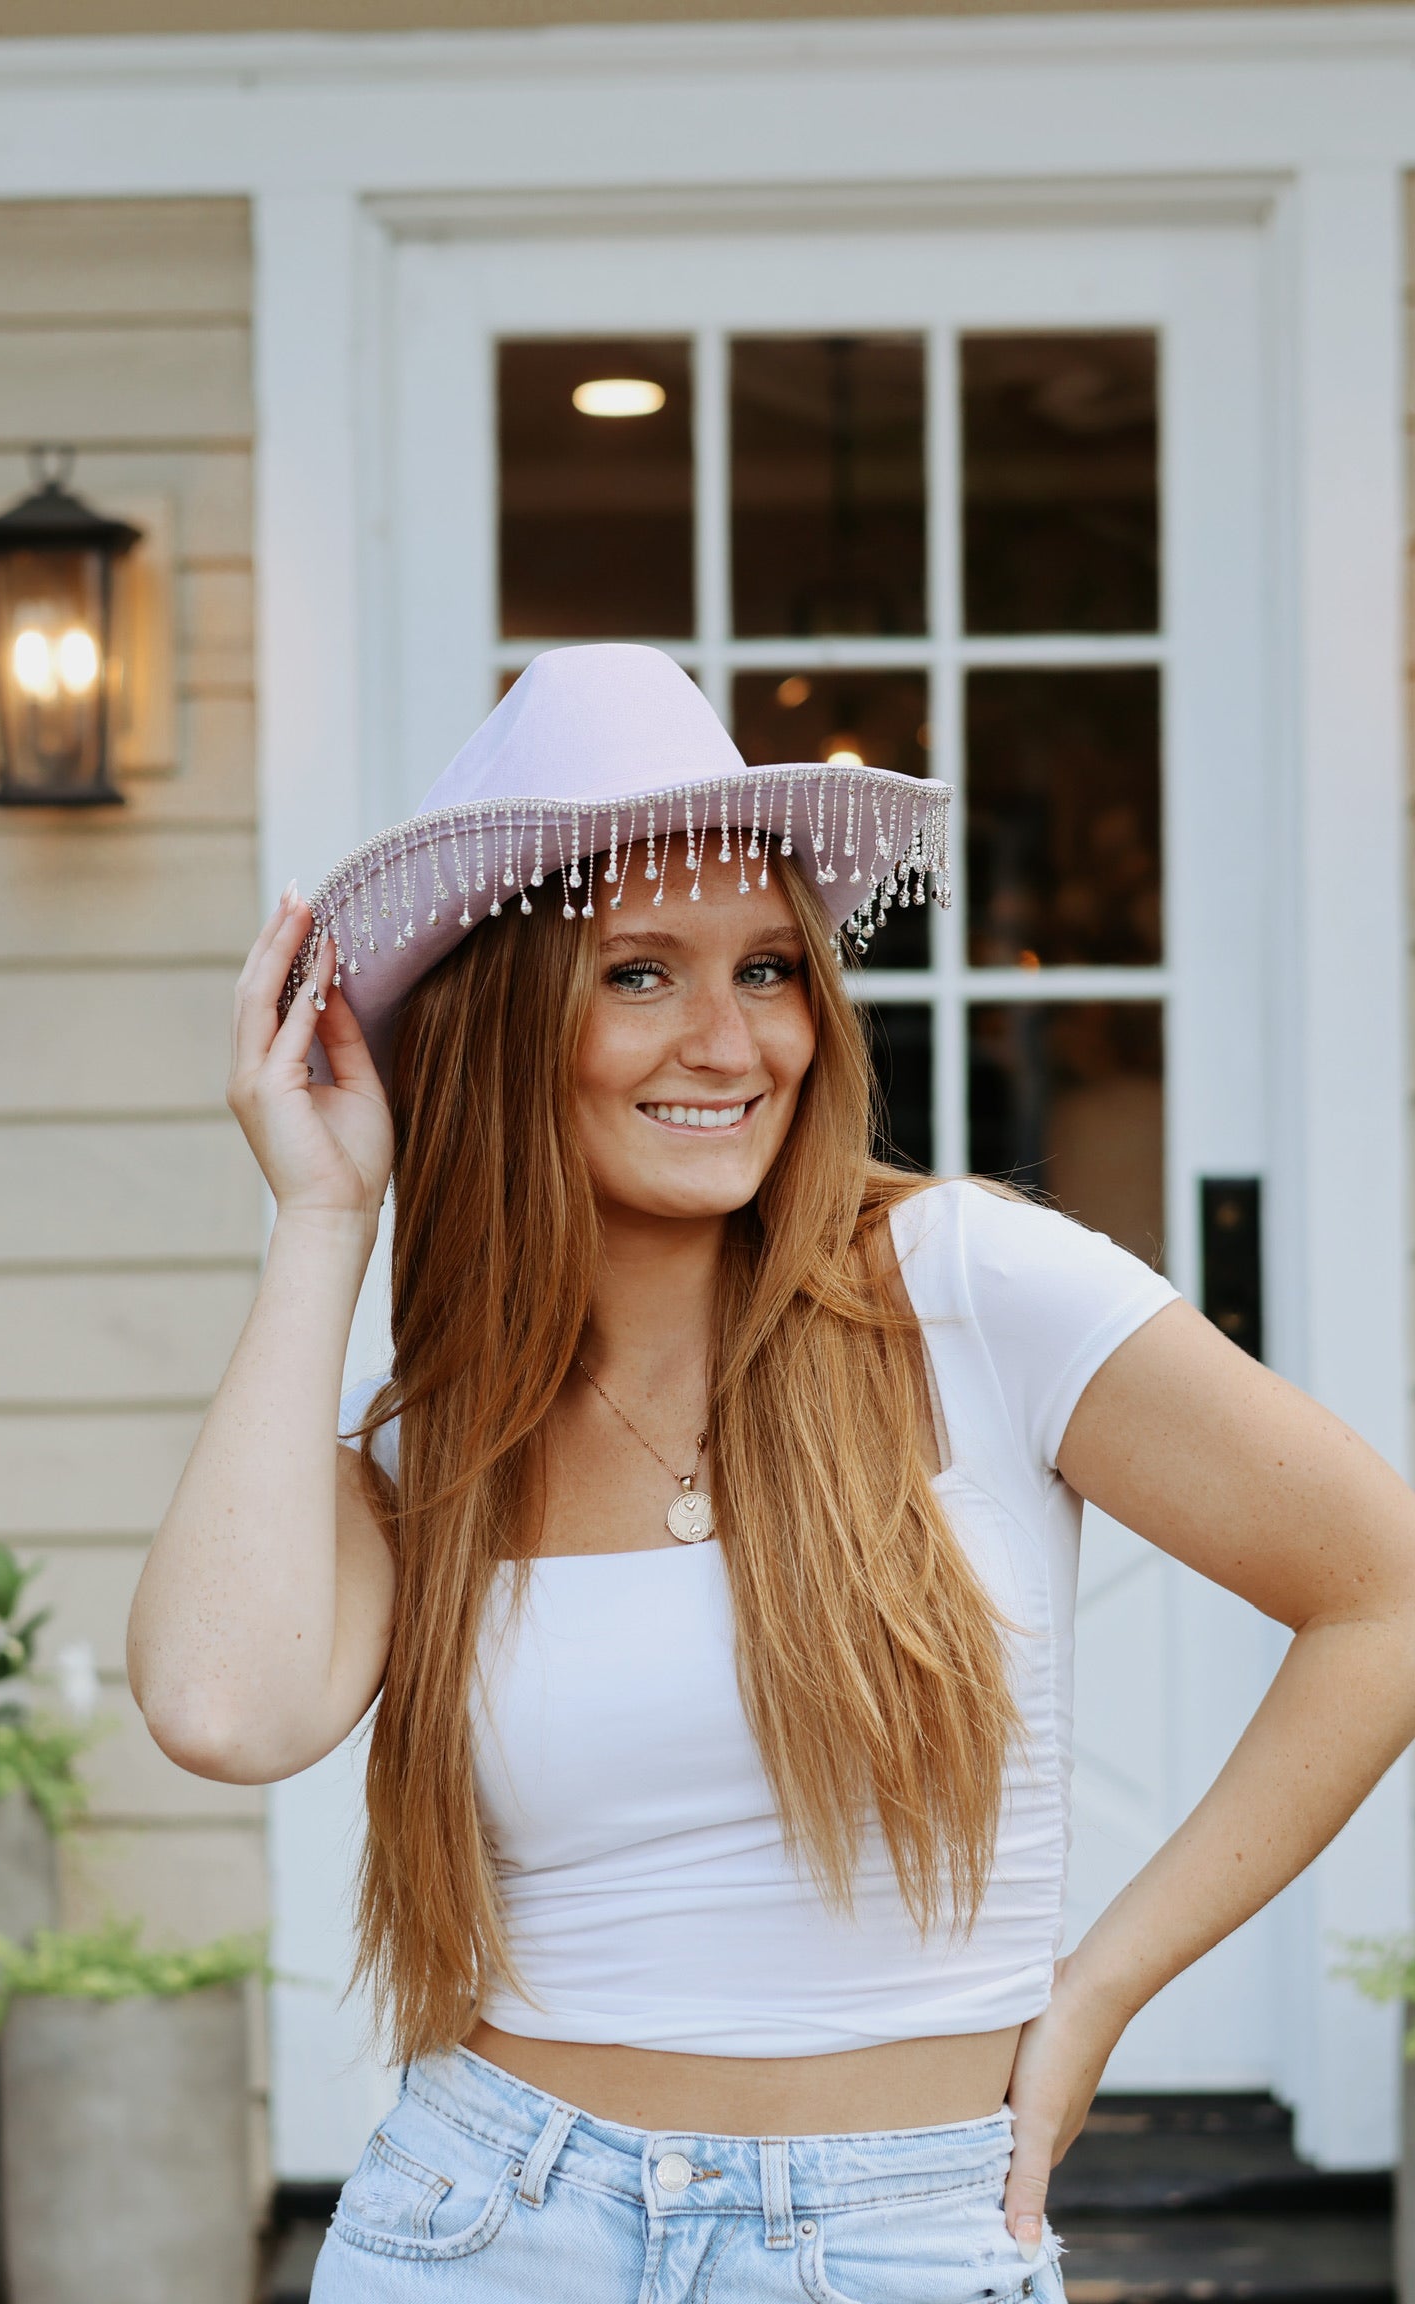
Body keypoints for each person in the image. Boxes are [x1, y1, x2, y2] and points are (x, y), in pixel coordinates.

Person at [129, 646, 1415, 2304]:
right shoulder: (435, 1423)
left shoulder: (970, 1288)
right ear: (511, 1023)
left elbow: (1381, 1594)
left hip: (904, 2230)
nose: (731, 1042)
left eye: (770, 969)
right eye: (640, 976)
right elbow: (222, 1711)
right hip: (495, 2220)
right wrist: (323, 1221)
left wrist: (1096, 1995)